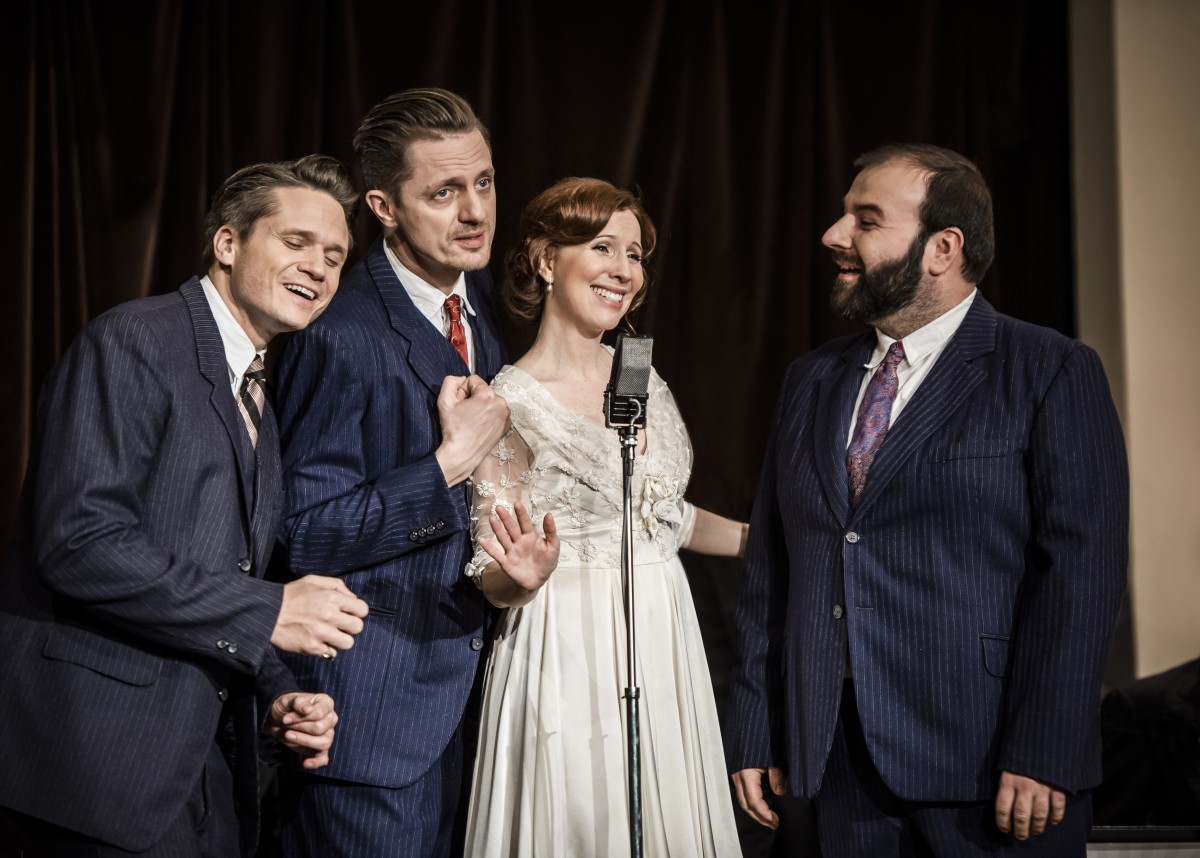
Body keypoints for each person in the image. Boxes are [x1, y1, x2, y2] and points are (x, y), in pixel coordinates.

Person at [728, 143, 1129, 856]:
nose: (833, 235)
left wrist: (1044, 748)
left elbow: (1081, 577)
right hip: (836, 765)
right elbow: (772, 570)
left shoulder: (1049, 369)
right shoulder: (809, 380)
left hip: (994, 765)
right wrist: (756, 728)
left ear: (943, 248)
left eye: (866, 219)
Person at [0, 155, 370, 857]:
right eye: (296, 242)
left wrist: (277, 693)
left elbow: (218, 572)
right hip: (94, 767)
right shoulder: (136, 339)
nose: (319, 269)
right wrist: (270, 610)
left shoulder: (258, 390)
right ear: (228, 244)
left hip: (199, 776)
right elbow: (79, 543)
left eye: (334, 257)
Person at [462, 176, 744, 856]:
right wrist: (518, 580)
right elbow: (490, 570)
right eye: (602, 247)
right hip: (566, 641)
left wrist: (762, 541)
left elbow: (661, 515)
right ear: (546, 260)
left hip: (662, 634)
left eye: (635, 254)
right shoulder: (508, 403)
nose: (624, 270)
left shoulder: (638, 375)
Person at [272, 89, 510, 857]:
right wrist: (448, 464)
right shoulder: (337, 333)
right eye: (444, 192)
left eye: (483, 182)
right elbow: (302, 536)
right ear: (383, 207)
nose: (474, 211)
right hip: (369, 725)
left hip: (478, 720)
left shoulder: (482, 315)